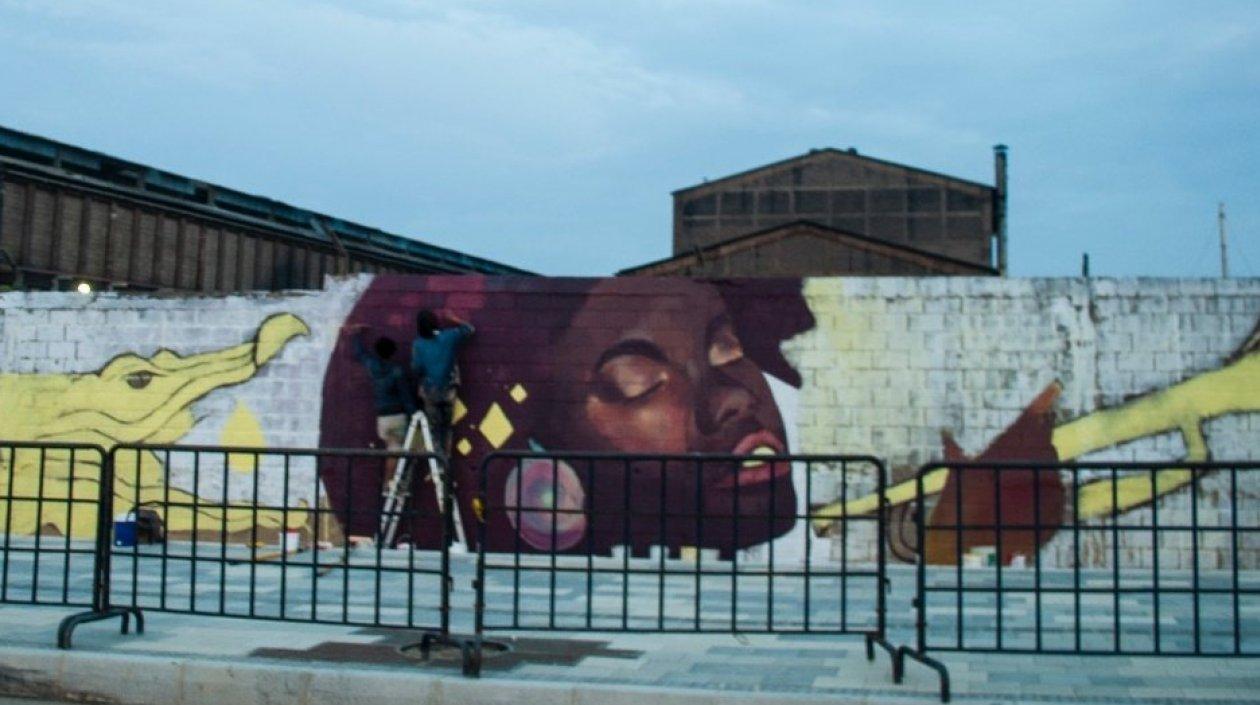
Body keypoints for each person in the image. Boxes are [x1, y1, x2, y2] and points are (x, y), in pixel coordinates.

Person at [411, 308, 475, 456]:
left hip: (430, 392)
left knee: (433, 429)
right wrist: (453, 319)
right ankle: (445, 462)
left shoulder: (418, 344)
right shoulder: (449, 337)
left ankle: (436, 462)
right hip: (448, 391)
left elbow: (416, 369)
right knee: (447, 429)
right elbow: (469, 329)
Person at [346, 325, 417, 451]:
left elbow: (360, 354)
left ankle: (390, 471)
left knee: (391, 450)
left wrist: (356, 335)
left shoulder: (372, 366)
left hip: (383, 417)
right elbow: (406, 397)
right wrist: (415, 414)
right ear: (393, 352)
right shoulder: (398, 371)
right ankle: (392, 472)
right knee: (398, 452)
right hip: (398, 416)